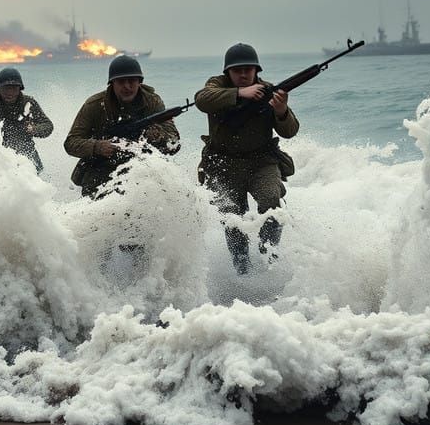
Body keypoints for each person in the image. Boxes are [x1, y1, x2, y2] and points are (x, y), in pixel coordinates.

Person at [195, 43, 299, 275]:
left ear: (256, 70)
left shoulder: (269, 91)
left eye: (248, 70)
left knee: (272, 201)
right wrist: (239, 94)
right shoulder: (217, 86)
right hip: (222, 163)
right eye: (237, 70)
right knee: (232, 218)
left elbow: (290, 131)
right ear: (228, 73)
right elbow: (202, 99)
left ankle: (268, 254)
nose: (243, 74)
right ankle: (242, 268)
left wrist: (281, 111)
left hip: (261, 162)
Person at [64, 55, 180, 198]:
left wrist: (158, 136)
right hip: (100, 172)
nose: (127, 86)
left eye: (132, 81)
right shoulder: (95, 105)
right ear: (112, 83)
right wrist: (97, 147)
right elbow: (70, 143)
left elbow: (174, 143)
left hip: (140, 169)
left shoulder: (152, 102)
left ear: (139, 82)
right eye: (121, 82)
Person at [0, 67, 53, 172]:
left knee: (36, 183)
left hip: (27, 156)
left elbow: (47, 125)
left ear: (20, 88)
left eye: (14, 88)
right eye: (6, 88)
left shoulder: (28, 104)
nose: (10, 92)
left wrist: (34, 129)